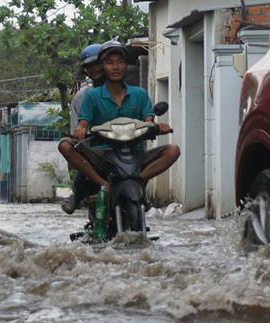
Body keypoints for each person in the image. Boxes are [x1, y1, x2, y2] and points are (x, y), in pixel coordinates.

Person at [58, 40, 180, 212]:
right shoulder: (88, 96)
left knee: (173, 150)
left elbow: (148, 121)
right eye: (109, 63)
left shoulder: (139, 94)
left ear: (126, 66)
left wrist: (156, 127)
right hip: (101, 154)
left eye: (120, 62)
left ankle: (137, 182)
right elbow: (81, 123)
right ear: (103, 66)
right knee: (68, 149)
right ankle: (98, 187)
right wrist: (81, 129)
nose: (114, 67)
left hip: (132, 153)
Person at [61, 43, 105, 214]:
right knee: (73, 149)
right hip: (94, 147)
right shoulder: (82, 97)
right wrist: (81, 131)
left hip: (122, 145)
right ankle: (78, 193)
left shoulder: (128, 91)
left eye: (98, 64)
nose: (94, 69)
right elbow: (77, 128)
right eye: (89, 67)